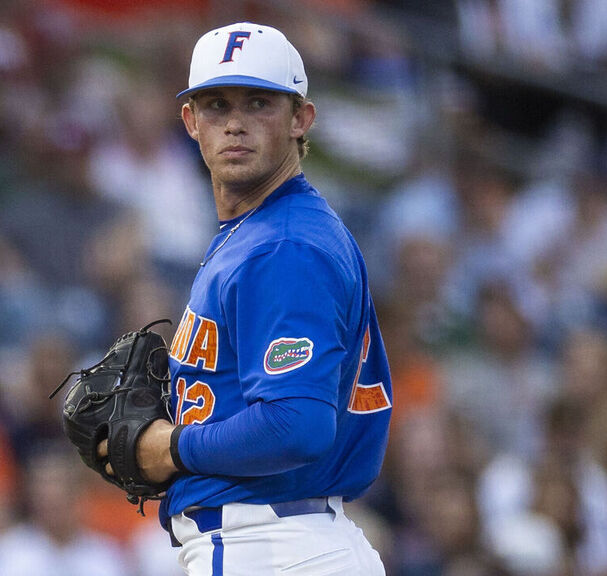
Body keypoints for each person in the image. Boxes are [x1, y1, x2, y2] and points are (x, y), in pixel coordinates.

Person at [99, 21, 393, 575]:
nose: (235, 123)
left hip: (272, 545)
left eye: (259, 102)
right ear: (190, 122)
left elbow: (296, 422)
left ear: (301, 118)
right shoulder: (260, 233)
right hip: (281, 541)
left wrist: (172, 447)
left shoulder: (284, 244)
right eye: (216, 105)